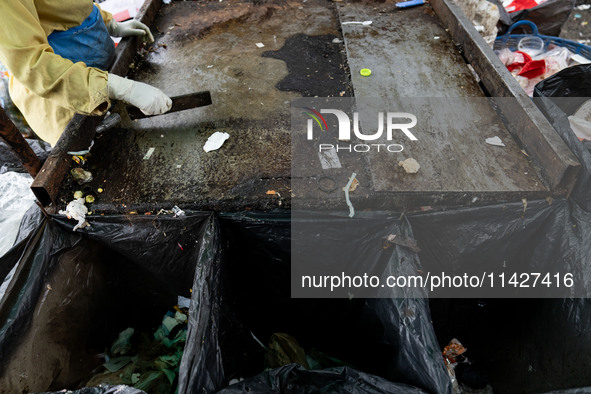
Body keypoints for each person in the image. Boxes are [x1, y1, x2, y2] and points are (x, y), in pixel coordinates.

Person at [0, 0, 172, 146]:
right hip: (65, 97)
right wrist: (120, 88)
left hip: (104, 69)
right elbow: (31, 64)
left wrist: (107, 23)